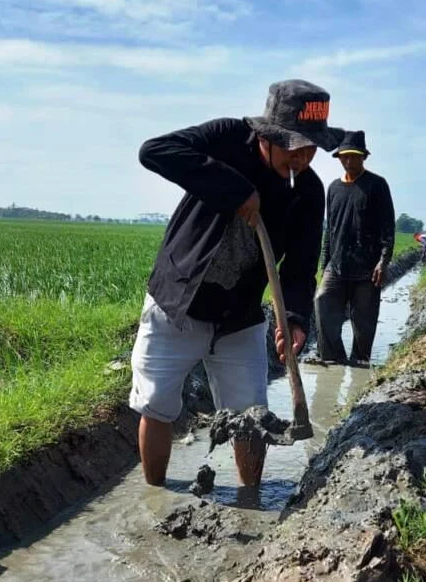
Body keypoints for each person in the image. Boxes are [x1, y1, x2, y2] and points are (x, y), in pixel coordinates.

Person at [133, 79, 344, 486]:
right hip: (178, 302)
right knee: (157, 403)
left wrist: (295, 320)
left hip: (240, 316)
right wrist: (235, 190)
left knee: (251, 417)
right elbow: (154, 151)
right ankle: (156, 498)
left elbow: (299, 268)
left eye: (312, 146)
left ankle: (251, 499)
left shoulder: (308, 191)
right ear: (268, 136)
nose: (302, 156)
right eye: (293, 146)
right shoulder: (228, 139)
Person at [314, 130, 395, 366]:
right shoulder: (333, 189)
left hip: (367, 267)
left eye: (354, 156)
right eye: (344, 156)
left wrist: (383, 260)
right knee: (322, 301)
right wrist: (324, 264)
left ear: (364, 157)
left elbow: (387, 226)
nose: (349, 161)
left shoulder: (377, 185)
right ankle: (332, 358)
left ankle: (360, 362)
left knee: (364, 320)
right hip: (336, 265)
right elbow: (330, 230)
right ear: (339, 158)